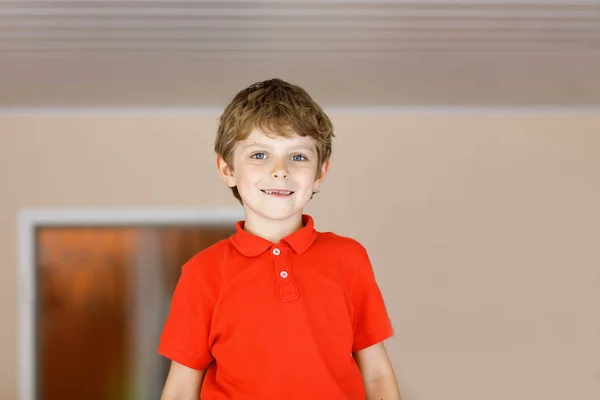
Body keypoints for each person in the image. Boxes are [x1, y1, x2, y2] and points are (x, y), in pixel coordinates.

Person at [158, 78, 401, 400]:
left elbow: (377, 372)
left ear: (320, 174)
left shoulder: (349, 258)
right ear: (227, 169)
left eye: (298, 157)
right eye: (259, 155)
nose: (280, 170)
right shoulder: (202, 272)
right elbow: (181, 386)